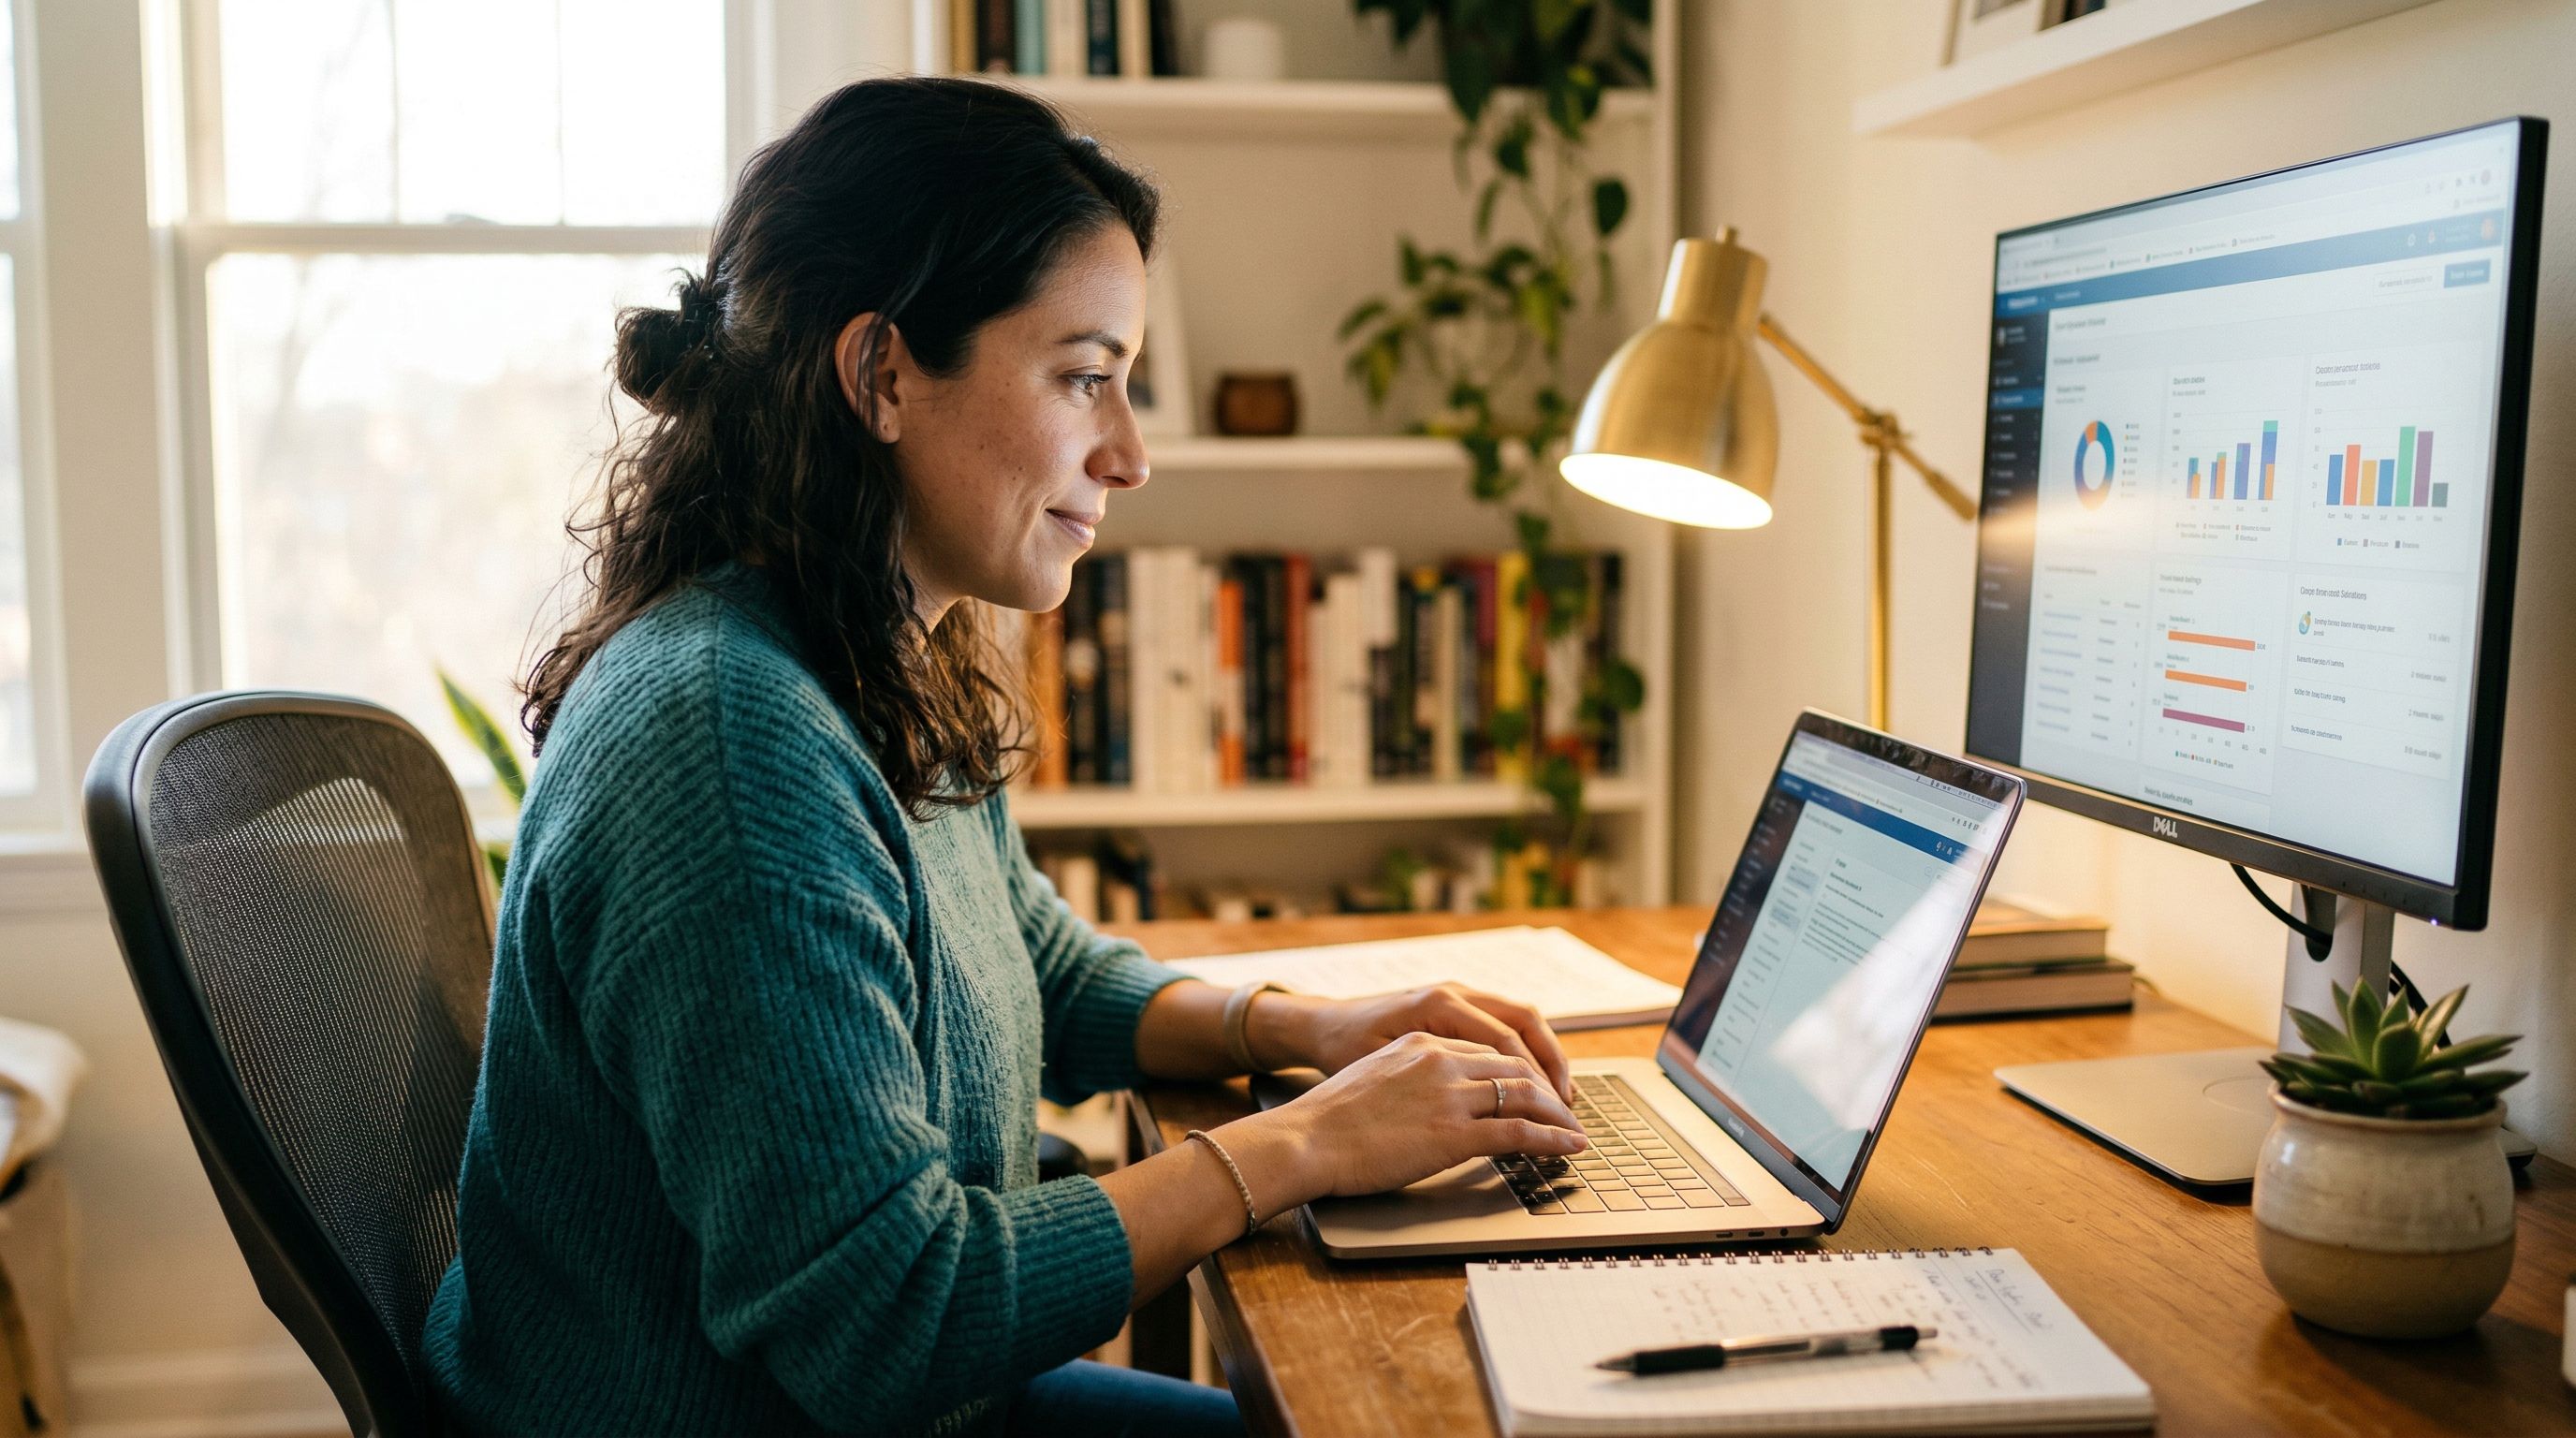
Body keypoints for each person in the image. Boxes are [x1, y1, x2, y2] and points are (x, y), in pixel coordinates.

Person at [419, 75, 1591, 1438]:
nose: (1131, 454)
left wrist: (1309, 1029)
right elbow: (888, 1318)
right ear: (884, 374)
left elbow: (1034, 960)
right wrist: (1309, 1141)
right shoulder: (733, 740)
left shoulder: (861, 648)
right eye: (1085, 378)